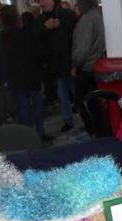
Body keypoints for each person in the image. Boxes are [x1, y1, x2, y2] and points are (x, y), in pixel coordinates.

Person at [0, 5, 47, 141]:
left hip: (16, 78)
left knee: (23, 108)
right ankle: (40, 133)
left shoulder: (2, 38)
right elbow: (37, 53)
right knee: (37, 106)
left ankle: (28, 137)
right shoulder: (26, 33)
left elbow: (1, 59)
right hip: (32, 75)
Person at [36, 0, 76, 132]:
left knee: (78, 94)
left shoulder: (67, 15)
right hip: (56, 66)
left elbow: (75, 38)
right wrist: (45, 28)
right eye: (39, 1)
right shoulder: (41, 20)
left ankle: (89, 120)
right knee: (63, 96)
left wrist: (76, 62)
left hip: (71, 63)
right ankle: (68, 120)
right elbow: (36, 39)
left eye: (44, 0)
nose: (42, 3)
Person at [71, 0, 105, 136]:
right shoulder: (97, 16)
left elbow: (82, 50)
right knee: (95, 105)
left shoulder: (86, 20)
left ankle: (93, 134)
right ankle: (99, 133)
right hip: (96, 66)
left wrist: (75, 65)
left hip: (86, 69)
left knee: (85, 104)